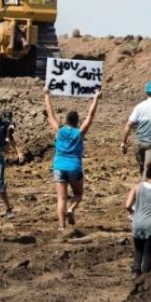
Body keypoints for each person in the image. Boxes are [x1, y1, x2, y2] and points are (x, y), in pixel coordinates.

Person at [44, 87, 101, 230]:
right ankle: (71, 209)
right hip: (74, 167)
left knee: (61, 198)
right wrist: (96, 97)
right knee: (78, 194)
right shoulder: (79, 132)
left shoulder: (59, 130)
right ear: (77, 122)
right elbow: (91, 115)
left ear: (66, 120)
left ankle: (62, 226)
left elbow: (50, 114)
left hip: (59, 166)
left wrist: (46, 95)